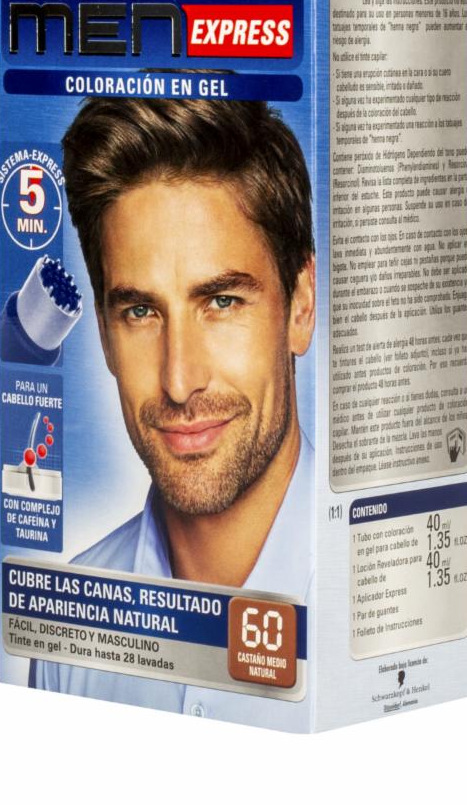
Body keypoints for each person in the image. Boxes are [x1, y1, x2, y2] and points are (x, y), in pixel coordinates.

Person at [29, 96, 316, 725]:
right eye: (140, 311)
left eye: (222, 302)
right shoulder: (72, 623)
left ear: (300, 304)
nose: (180, 382)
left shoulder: (378, 595)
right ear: (104, 335)